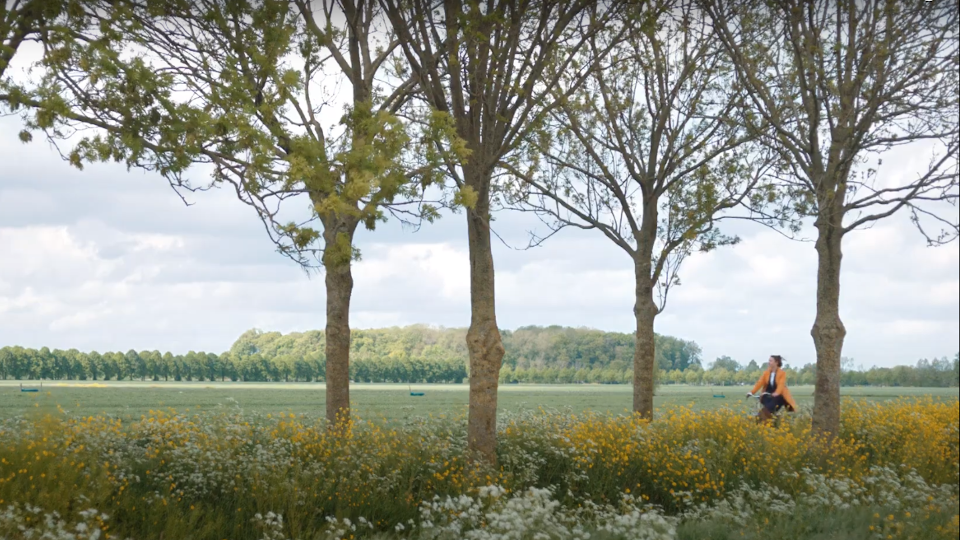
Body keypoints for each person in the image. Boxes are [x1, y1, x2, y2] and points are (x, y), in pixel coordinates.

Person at [747, 355, 798, 422]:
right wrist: (751, 392)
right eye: (769, 360)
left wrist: (777, 393)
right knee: (766, 412)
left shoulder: (782, 373)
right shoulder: (766, 373)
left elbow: (781, 384)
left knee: (766, 411)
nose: (769, 362)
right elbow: (759, 383)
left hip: (778, 397)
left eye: (771, 361)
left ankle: (766, 423)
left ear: (776, 362)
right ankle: (770, 423)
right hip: (768, 396)